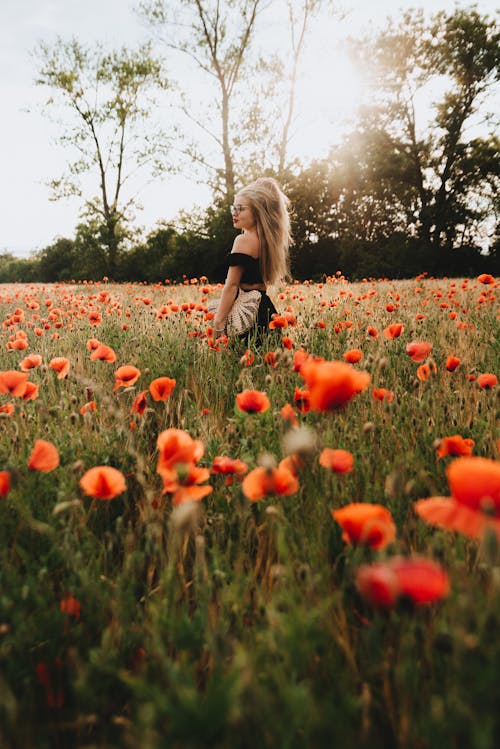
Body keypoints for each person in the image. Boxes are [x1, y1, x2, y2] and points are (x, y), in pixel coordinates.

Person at [213, 177, 292, 342]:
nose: (235, 213)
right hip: (266, 310)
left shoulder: (243, 240)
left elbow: (232, 286)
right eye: (233, 208)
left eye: (240, 209)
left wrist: (219, 323)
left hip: (247, 315)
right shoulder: (269, 241)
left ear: (257, 211)